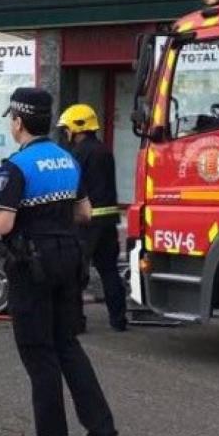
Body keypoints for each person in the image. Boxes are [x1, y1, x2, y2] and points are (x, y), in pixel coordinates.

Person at [0, 87, 118, 436]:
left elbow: (3, 223)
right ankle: (102, 435)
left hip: (33, 266)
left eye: (12, 118)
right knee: (67, 346)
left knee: (39, 353)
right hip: (68, 262)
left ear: (19, 122)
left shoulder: (17, 166)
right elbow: (85, 214)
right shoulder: (67, 160)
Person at [57, 104, 128, 333]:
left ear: (78, 128)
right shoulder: (104, 150)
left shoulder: (77, 154)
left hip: (85, 223)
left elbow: (72, 188)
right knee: (109, 271)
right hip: (108, 221)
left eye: (66, 129)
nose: (65, 134)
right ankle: (118, 321)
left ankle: (75, 323)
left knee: (75, 273)